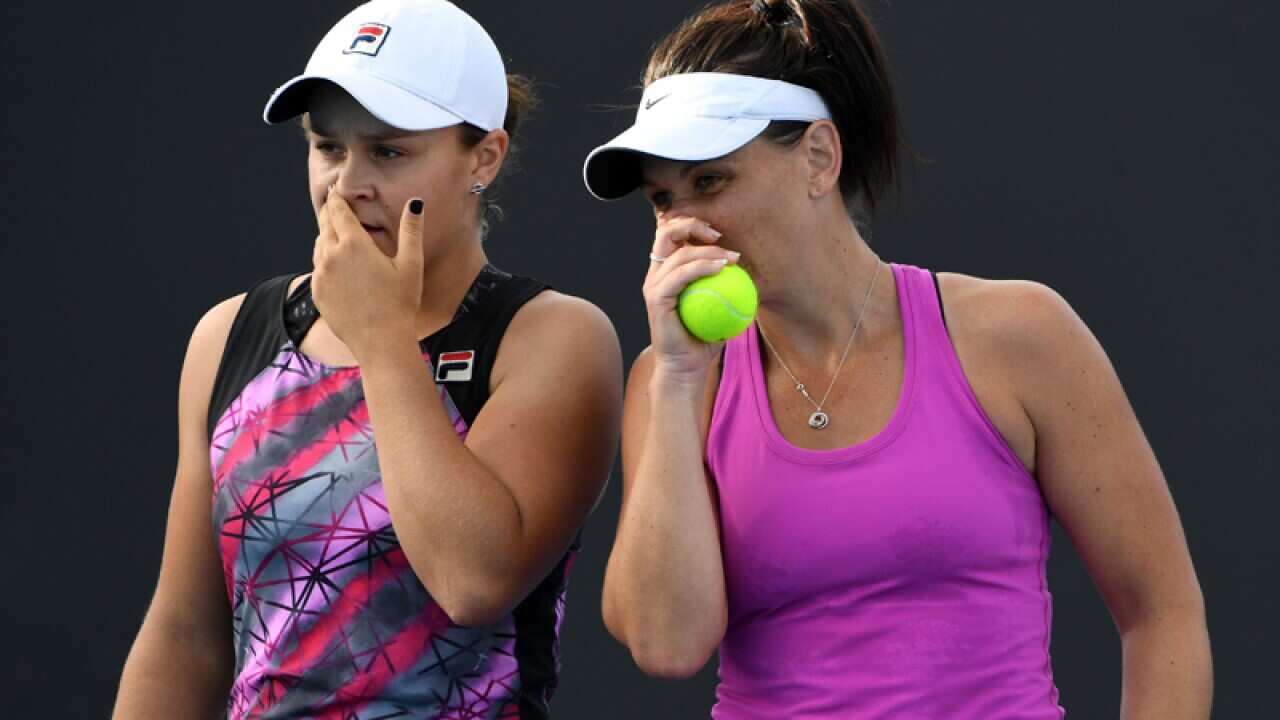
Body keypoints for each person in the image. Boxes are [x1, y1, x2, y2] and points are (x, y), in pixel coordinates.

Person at [584, 0, 1211, 717]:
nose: (684, 228)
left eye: (711, 182)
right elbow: (668, 646)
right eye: (662, 199)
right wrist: (680, 378)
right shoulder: (672, 384)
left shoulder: (1020, 334)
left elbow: (1161, 611)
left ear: (819, 158)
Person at [113, 1, 622, 717]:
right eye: (328, 147)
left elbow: (472, 580)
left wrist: (382, 337)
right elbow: (185, 634)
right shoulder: (230, 335)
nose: (347, 185)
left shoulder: (552, 338)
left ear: (484, 159)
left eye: (388, 152)